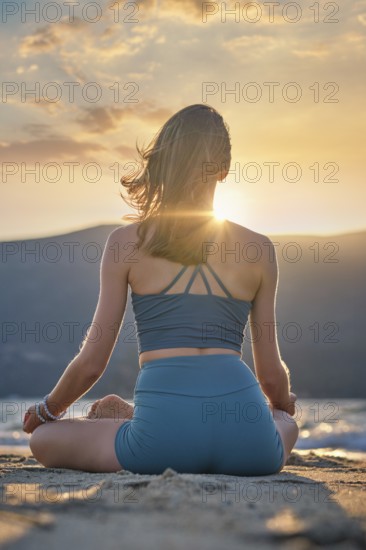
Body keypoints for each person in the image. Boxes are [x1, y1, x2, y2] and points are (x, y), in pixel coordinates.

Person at [23, 104, 299, 474]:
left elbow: (91, 365)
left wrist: (46, 411)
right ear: (225, 168)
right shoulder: (260, 248)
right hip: (252, 448)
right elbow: (269, 375)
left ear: (162, 162)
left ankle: (127, 418)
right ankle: (151, 419)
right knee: (285, 421)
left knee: (42, 440)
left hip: (160, 443)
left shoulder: (125, 243)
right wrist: (283, 405)